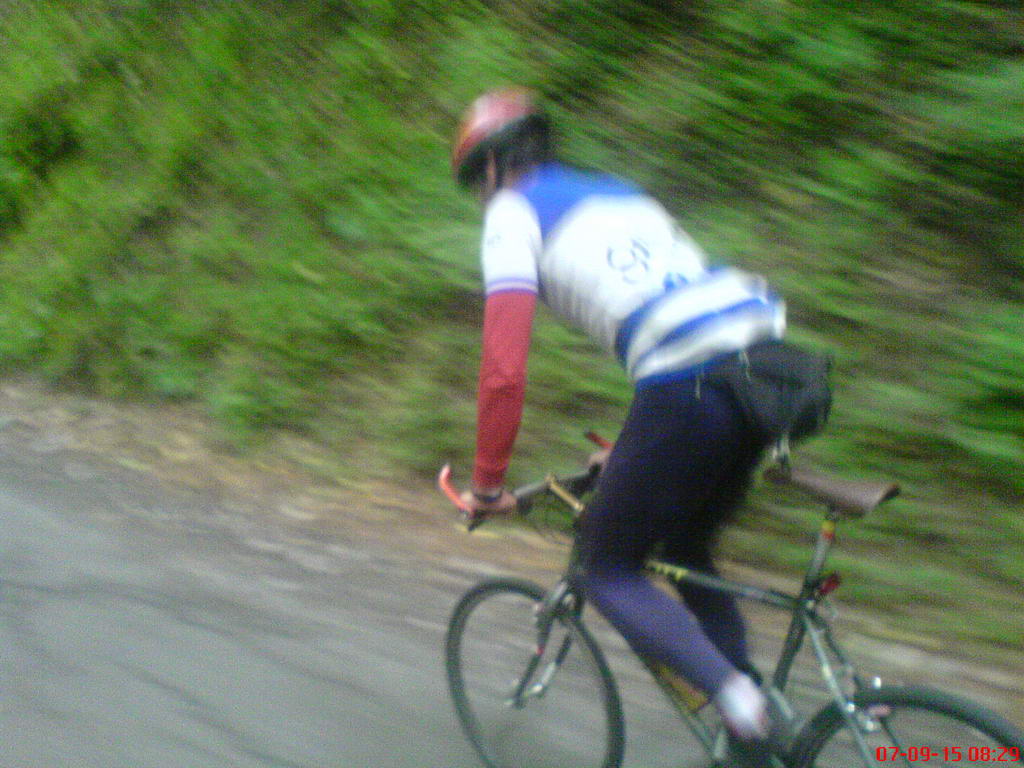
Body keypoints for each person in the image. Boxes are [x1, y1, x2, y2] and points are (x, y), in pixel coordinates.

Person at [447, 88, 787, 754]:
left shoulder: (512, 213)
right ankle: (752, 726)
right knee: (684, 545)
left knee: (608, 570)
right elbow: (684, 322)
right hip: (766, 373)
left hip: (689, 383)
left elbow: (503, 370)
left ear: (491, 168)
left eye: (475, 185)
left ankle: (743, 707)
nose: (481, 199)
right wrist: (632, 451)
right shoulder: (621, 194)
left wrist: (487, 484)